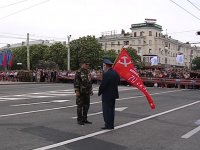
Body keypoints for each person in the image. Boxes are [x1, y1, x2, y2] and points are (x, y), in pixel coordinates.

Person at [98, 58, 120, 130]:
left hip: (107, 95)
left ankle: (108, 125)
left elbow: (103, 85)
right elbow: (118, 81)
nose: (103, 67)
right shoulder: (115, 73)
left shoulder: (107, 74)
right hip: (113, 94)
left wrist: (99, 92)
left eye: (104, 66)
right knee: (111, 110)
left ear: (106, 66)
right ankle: (111, 124)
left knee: (107, 110)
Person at [74, 60, 93, 125]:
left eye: (88, 64)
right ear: (83, 64)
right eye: (86, 64)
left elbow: (90, 82)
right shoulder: (79, 72)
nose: (88, 65)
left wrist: (91, 90)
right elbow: (76, 82)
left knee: (86, 106)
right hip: (81, 92)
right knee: (80, 106)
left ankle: (85, 119)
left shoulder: (88, 72)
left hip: (87, 92)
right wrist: (77, 90)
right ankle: (79, 120)